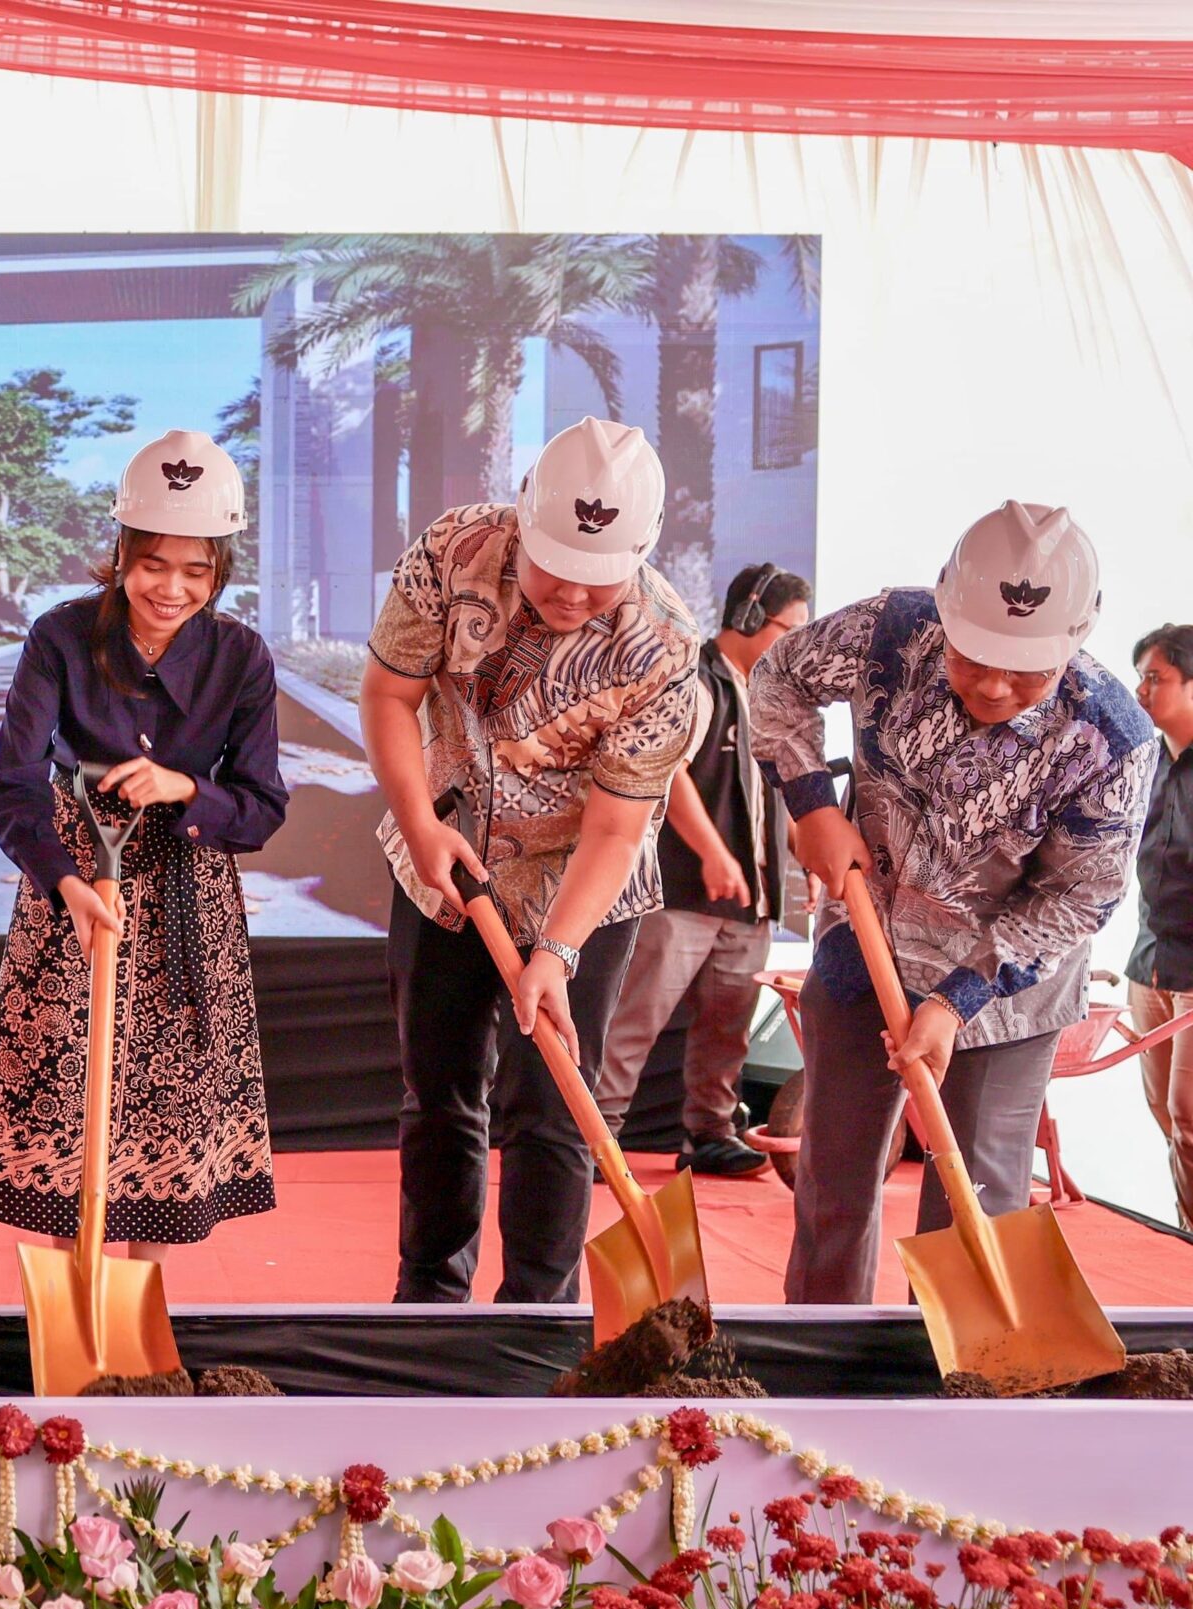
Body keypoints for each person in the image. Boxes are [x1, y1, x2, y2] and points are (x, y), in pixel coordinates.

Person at [752, 502, 1156, 1304]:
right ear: (945, 610)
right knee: (833, 1185)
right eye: (975, 658)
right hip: (864, 954)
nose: (996, 685)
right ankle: (823, 1375)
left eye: (1027, 670)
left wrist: (957, 998)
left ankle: (954, 1391)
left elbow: (1079, 897)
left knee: (976, 1203)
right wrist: (812, 804)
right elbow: (778, 679)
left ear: (1073, 640)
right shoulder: (888, 631)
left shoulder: (1112, 737)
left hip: (1006, 995)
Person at [361, 417, 705, 1305]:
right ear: (523, 519)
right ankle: (429, 1299)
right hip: (444, 861)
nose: (574, 595)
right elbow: (390, 694)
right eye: (557, 568)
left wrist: (556, 951)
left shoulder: (665, 648)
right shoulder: (454, 548)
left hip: (579, 886)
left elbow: (616, 829)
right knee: (438, 1093)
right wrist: (419, 824)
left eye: (601, 579)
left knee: (554, 1105)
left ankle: (539, 1316)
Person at [0, 429, 289, 1254]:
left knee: (168, 1120)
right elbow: (13, 783)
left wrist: (187, 789)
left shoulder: (241, 656)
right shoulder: (61, 636)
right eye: (153, 565)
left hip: (186, 897)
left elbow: (261, 809)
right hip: (74, 884)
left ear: (220, 571)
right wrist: (63, 883)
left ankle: (140, 1328)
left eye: (196, 570)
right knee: (59, 1111)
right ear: (120, 555)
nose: (171, 589)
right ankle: (57, 1331)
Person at [592, 563, 814, 1179]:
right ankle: (594, 1140)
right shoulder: (693, 677)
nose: (793, 642)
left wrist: (808, 853)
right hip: (682, 890)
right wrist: (714, 852)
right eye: (785, 628)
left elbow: (787, 789)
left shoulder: (773, 697)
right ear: (746, 616)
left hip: (753, 901)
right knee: (635, 1020)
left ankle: (711, 1133)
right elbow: (668, 770)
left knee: (729, 1032)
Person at [1126, 623, 1193, 1226]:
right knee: (1168, 1120)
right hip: (1149, 964)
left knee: (1190, 1116)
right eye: (1141, 676)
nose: (1142, 690)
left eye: (1156, 677)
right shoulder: (1146, 762)